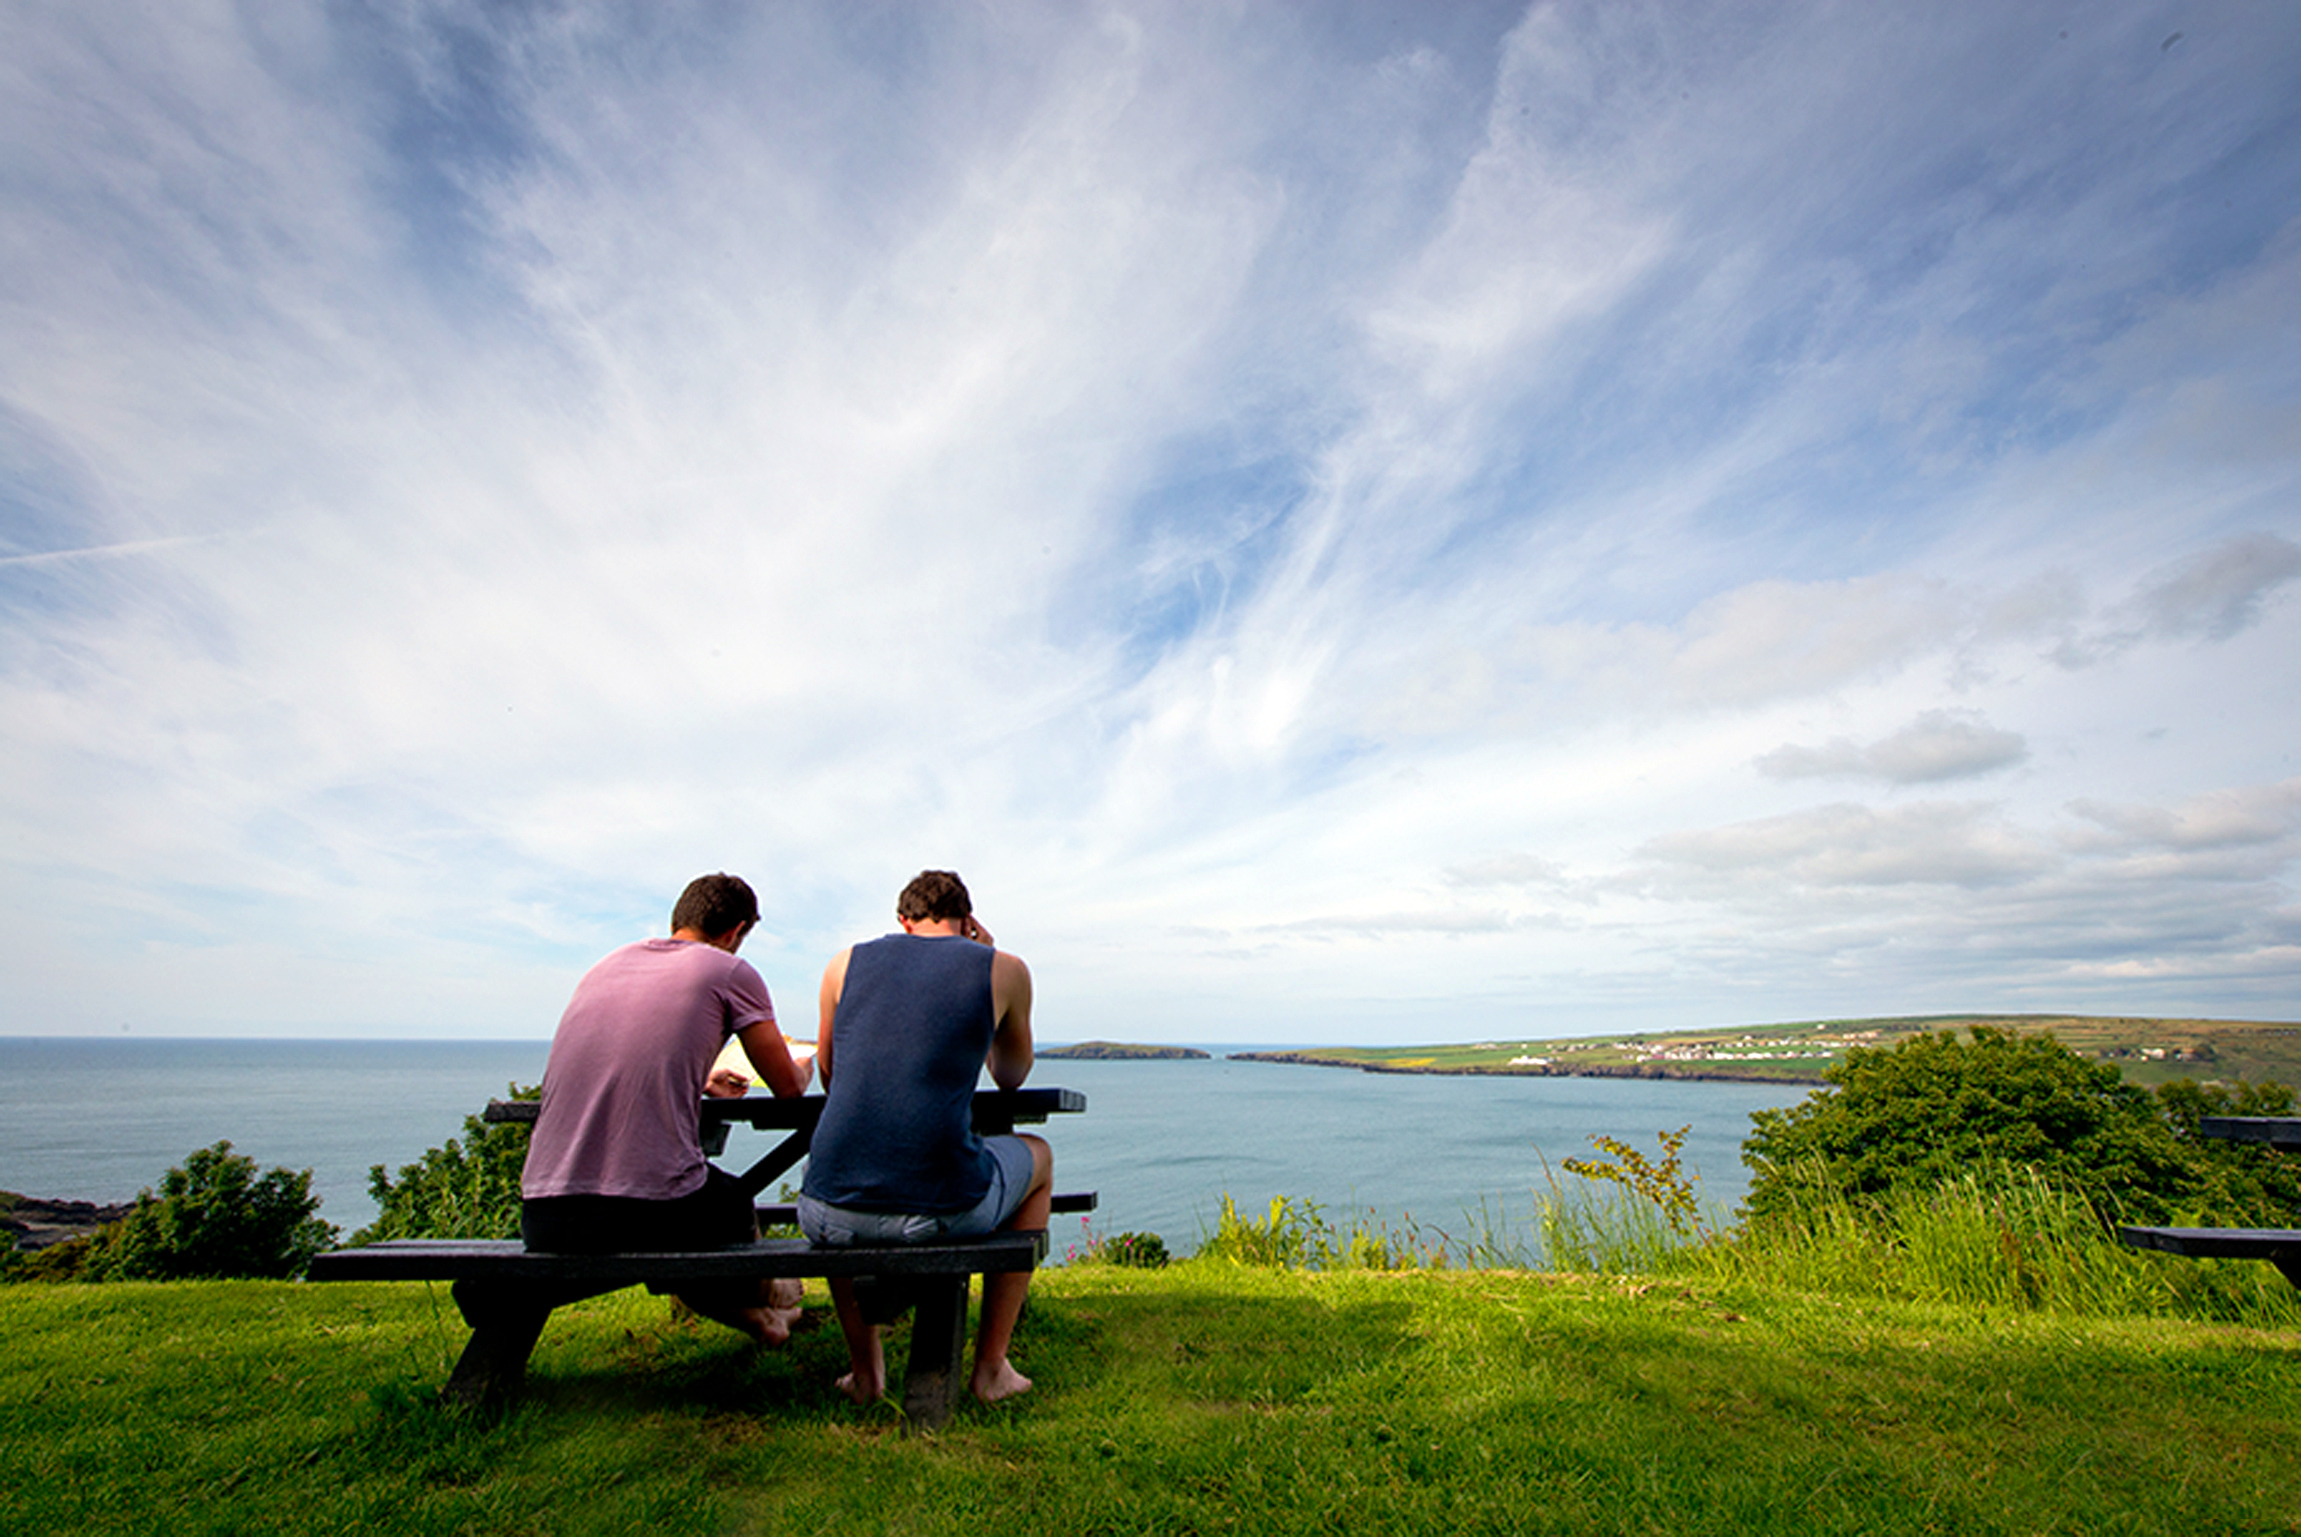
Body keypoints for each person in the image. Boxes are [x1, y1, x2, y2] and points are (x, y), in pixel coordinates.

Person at [521, 872, 815, 1344]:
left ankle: (762, 1321)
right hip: (646, 1213)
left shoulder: (606, 966)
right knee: (729, 1202)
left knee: (683, 1218)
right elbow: (786, 1089)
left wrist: (700, 1080)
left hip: (545, 1215)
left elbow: (619, 1057)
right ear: (736, 931)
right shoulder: (729, 972)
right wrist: (803, 1065)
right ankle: (776, 1292)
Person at [798, 869, 1052, 1405]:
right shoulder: (1003, 969)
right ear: (968, 921)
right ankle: (991, 1368)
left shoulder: (842, 964)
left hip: (824, 1210)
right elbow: (1011, 1075)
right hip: (938, 1212)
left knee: (847, 1173)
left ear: (902, 921)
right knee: (1040, 1157)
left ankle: (866, 1375)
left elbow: (830, 1071)